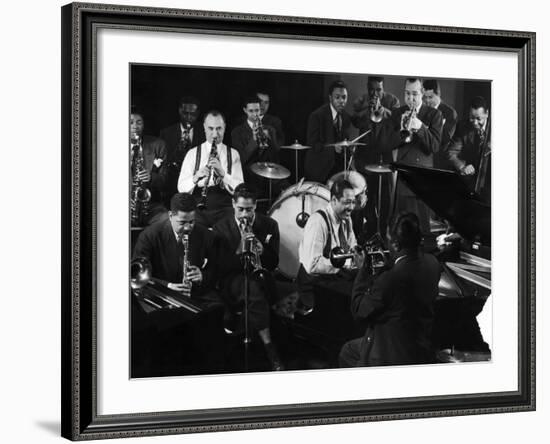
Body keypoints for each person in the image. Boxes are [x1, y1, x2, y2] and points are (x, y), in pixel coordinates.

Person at [339, 212, 441, 367]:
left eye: (387, 239)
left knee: (347, 352)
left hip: (390, 354)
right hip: (419, 348)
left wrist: (363, 271)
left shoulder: (391, 279)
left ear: (395, 245)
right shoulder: (433, 263)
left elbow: (359, 310)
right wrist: (390, 264)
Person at [213, 183, 284, 370]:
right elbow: (221, 267)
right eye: (240, 209)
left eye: (249, 210)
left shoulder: (270, 225)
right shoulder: (220, 228)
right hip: (232, 278)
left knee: (269, 293)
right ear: (232, 204)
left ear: (256, 207)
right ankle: (270, 350)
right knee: (255, 292)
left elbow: (273, 263)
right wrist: (240, 248)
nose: (245, 215)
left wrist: (263, 251)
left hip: (259, 275)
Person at [369, 78, 443, 237]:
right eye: (407, 94)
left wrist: (420, 127)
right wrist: (402, 131)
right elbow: (385, 144)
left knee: (422, 231)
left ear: (422, 93)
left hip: (423, 181)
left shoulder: (434, 114)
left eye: (415, 94)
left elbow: (435, 147)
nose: (410, 99)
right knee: (401, 231)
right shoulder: (397, 113)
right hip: (402, 180)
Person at [132, 192, 222, 309]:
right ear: (170, 216)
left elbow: (216, 268)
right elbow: (137, 275)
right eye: (182, 223)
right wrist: (167, 286)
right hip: (161, 295)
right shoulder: (149, 236)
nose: (188, 228)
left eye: (191, 222)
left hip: (195, 295)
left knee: (218, 311)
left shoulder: (205, 234)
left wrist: (202, 275)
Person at [297, 179, 364, 313]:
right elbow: (312, 265)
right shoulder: (317, 222)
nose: (351, 207)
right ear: (333, 200)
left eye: (352, 202)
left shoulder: (346, 219)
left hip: (333, 277)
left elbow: (352, 246)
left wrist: (359, 257)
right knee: (351, 299)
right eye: (346, 202)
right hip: (313, 284)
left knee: (363, 290)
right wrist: (345, 263)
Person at [177, 110, 244, 227]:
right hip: (198, 206)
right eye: (210, 129)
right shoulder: (192, 154)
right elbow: (181, 188)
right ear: (204, 127)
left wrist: (223, 174)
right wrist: (196, 177)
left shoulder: (233, 154)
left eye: (219, 129)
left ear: (225, 127)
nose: (214, 134)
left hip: (225, 207)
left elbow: (240, 189)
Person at [304, 80, 354, 183]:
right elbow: (312, 144)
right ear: (330, 98)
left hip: (338, 169)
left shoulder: (346, 117)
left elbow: (344, 141)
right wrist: (333, 147)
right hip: (319, 169)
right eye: (337, 97)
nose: (341, 101)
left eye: (344, 97)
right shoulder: (317, 116)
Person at [231, 95, 281, 193]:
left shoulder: (270, 129)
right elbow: (241, 158)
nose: (255, 114)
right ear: (245, 110)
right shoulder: (237, 132)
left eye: (257, 110)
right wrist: (254, 141)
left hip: (268, 176)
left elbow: (276, 156)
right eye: (251, 111)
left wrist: (270, 139)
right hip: (249, 177)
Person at [159, 96, 205, 202]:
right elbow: (164, 163)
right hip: (172, 185)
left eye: (192, 114)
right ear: (180, 111)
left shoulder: (205, 132)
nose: (188, 117)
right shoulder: (166, 133)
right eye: (185, 113)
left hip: (196, 186)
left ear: (198, 114)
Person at [447, 96, 491, 203]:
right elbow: (452, 153)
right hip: (470, 184)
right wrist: (462, 167)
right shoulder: (462, 126)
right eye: (472, 117)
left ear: (487, 114)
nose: (475, 122)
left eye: (478, 119)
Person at [130, 109, 167, 226]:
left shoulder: (158, 145)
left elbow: (166, 180)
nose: (135, 126)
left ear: (144, 124)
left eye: (139, 122)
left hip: (151, 206)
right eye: (130, 122)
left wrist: (151, 177)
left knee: (167, 222)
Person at [422, 79, 458, 169]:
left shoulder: (450, 113)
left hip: (440, 162)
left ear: (439, 94)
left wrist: (425, 131)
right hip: (423, 159)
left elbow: (445, 139)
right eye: (424, 97)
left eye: (430, 97)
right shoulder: (422, 110)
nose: (427, 101)